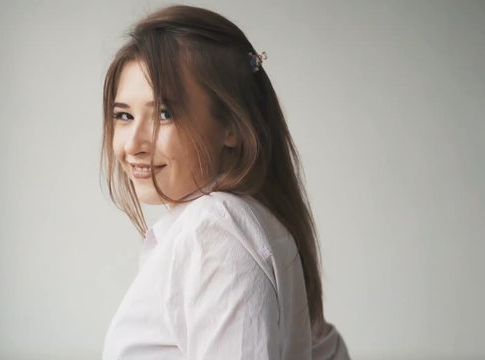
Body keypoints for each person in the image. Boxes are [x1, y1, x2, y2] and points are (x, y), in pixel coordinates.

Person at [100, 4, 351, 359]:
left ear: (231, 126)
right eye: (124, 115)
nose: (133, 144)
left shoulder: (215, 230)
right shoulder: (251, 222)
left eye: (164, 114)